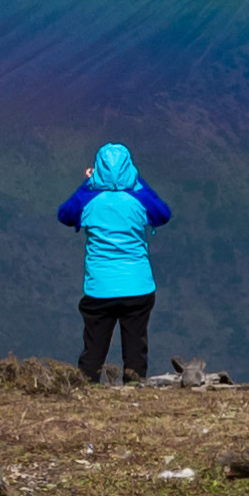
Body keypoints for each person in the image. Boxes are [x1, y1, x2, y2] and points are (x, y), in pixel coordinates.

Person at [58, 142, 175, 379]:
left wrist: (90, 183)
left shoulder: (88, 200)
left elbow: (65, 215)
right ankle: (135, 394)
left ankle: (86, 394)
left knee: (93, 350)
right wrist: (136, 182)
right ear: (129, 168)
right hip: (137, 287)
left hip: (100, 289)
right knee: (135, 351)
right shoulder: (139, 199)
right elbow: (163, 214)